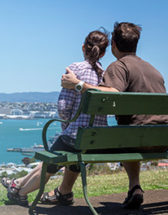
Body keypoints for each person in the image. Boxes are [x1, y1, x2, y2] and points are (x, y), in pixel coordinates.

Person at [59, 22, 168, 209]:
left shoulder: (119, 67)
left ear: (114, 45)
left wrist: (79, 84)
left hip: (134, 139)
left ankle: (60, 192)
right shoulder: (154, 70)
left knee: (130, 134)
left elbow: (109, 94)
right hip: (162, 137)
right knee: (132, 133)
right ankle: (134, 187)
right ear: (135, 44)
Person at [1, 30, 109, 206]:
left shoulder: (75, 70)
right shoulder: (105, 75)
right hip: (95, 140)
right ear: (103, 53)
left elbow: (63, 108)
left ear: (83, 47)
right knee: (69, 153)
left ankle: (18, 191)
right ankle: (19, 185)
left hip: (76, 136)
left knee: (50, 162)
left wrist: (66, 125)